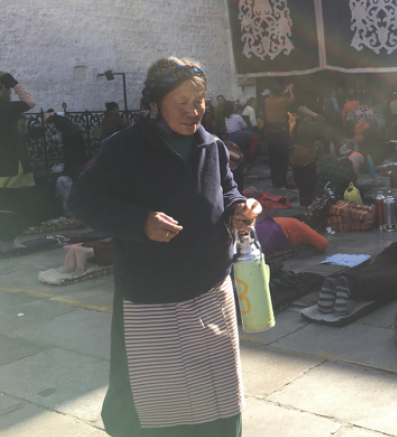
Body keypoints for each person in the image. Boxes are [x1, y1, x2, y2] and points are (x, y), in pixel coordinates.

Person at [68, 56, 258, 436]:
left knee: (219, 394)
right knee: (159, 404)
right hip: (152, 300)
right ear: (154, 103)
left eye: (199, 100)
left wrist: (239, 207)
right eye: (181, 101)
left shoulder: (213, 146)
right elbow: (81, 201)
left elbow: (226, 189)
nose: (193, 111)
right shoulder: (123, 149)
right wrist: (139, 223)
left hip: (211, 292)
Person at [0, 71, 36, 253]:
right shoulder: (4, 108)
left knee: (4, 203)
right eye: (6, 91)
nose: (9, 93)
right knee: (9, 204)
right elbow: (30, 102)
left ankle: (5, 241)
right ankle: (7, 242)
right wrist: (14, 83)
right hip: (9, 165)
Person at [291, 112, 327, 206]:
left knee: (300, 181)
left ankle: (303, 201)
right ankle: (309, 203)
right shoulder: (309, 125)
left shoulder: (296, 125)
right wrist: (309, 111)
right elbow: (323, 121)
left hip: (297, 154)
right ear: (306, 117)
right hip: (308, 156)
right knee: (310, 183)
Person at [263, 85, 296, 188]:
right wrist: (290, 90)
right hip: (281, 131)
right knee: (283, 157)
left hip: (270, 131)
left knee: (273, 158)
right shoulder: (281, 101)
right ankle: (282, 181)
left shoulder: (267, 100)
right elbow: (292, 99)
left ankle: (275, 181)